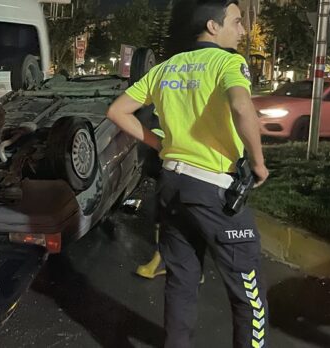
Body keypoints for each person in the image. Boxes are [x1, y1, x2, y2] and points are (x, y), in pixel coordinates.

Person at [106, 0, 269, 347]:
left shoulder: (167, 67)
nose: (242, 31)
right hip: (214, 190)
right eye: (237, 22)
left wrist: (158, 143)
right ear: (213, 26)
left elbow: (118, 111)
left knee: (181, 281)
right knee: (248, 293)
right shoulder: (228, 62)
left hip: (171, 185)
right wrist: (258, 162)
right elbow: (242, 107)